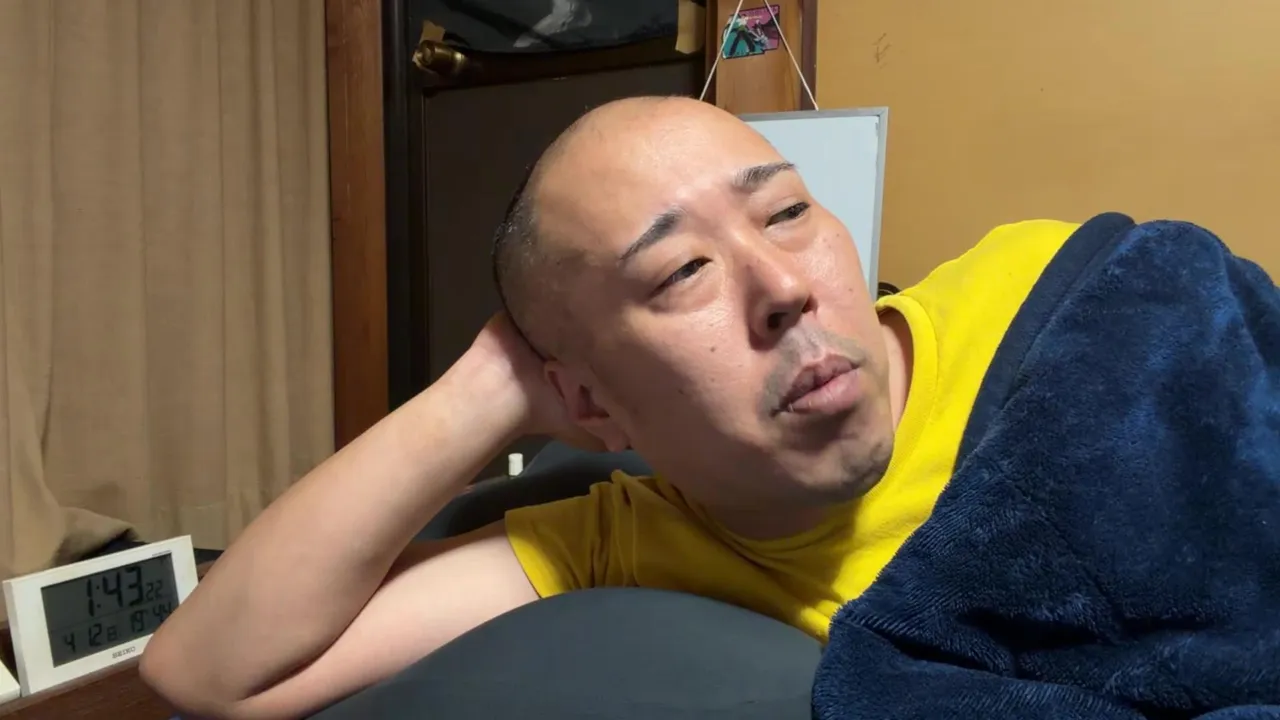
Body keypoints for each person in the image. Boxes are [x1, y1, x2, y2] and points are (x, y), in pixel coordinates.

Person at [140, 96, 1081, 719]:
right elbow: (209, 670)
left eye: (787, 212)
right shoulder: (623, 542)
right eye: (680, 271)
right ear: (592, 405)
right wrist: (489, 385)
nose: (783, 286)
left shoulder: (1043, 294)